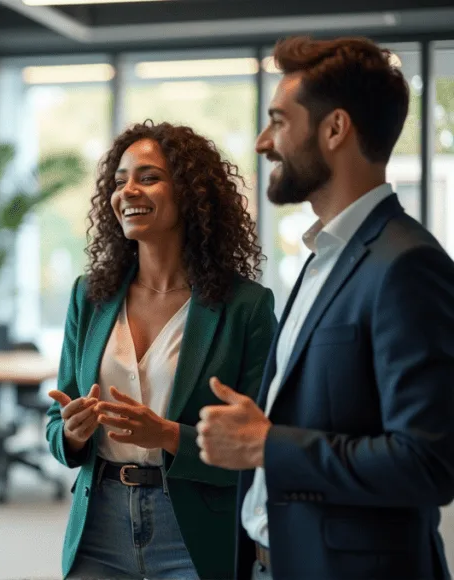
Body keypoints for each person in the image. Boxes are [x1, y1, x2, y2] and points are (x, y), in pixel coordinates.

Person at [195, 36, 454, 580]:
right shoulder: (320, 258)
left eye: (279, 121)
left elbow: (429, 463)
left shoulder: (407, 266)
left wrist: (267, 444)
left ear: (334, 129)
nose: (265, 141)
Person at [46, 121, 277, 580]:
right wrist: (71, 433)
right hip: (99, 527)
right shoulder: (88, 296)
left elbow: (262, 443)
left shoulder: (246, 307)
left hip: (193, 529)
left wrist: (169, 436)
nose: (128, 190)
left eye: (148, 177)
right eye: (118, 181)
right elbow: (58, 421)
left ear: (190, 193)